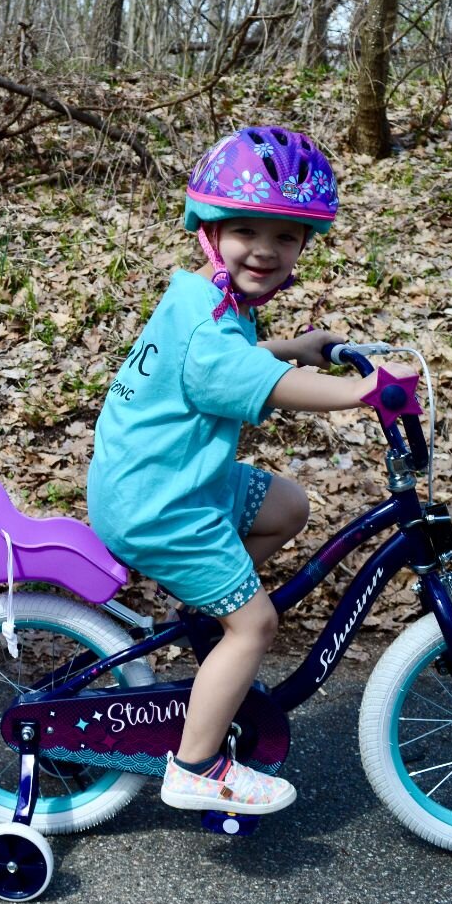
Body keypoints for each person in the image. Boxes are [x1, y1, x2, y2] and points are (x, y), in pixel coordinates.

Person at [86, 126, 417, 815]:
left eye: (285, 236)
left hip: (170, 480)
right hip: (162, 505)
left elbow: (234, 362)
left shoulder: (205, 301)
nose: (264, 249)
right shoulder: (210, 324)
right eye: (244, 230)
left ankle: (207, 609)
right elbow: (261, 384)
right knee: (255, 625)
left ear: (303, 244)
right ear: (209, 231)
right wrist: (361, 391)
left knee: (287, 505)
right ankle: (195, 766)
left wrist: (294, 345)